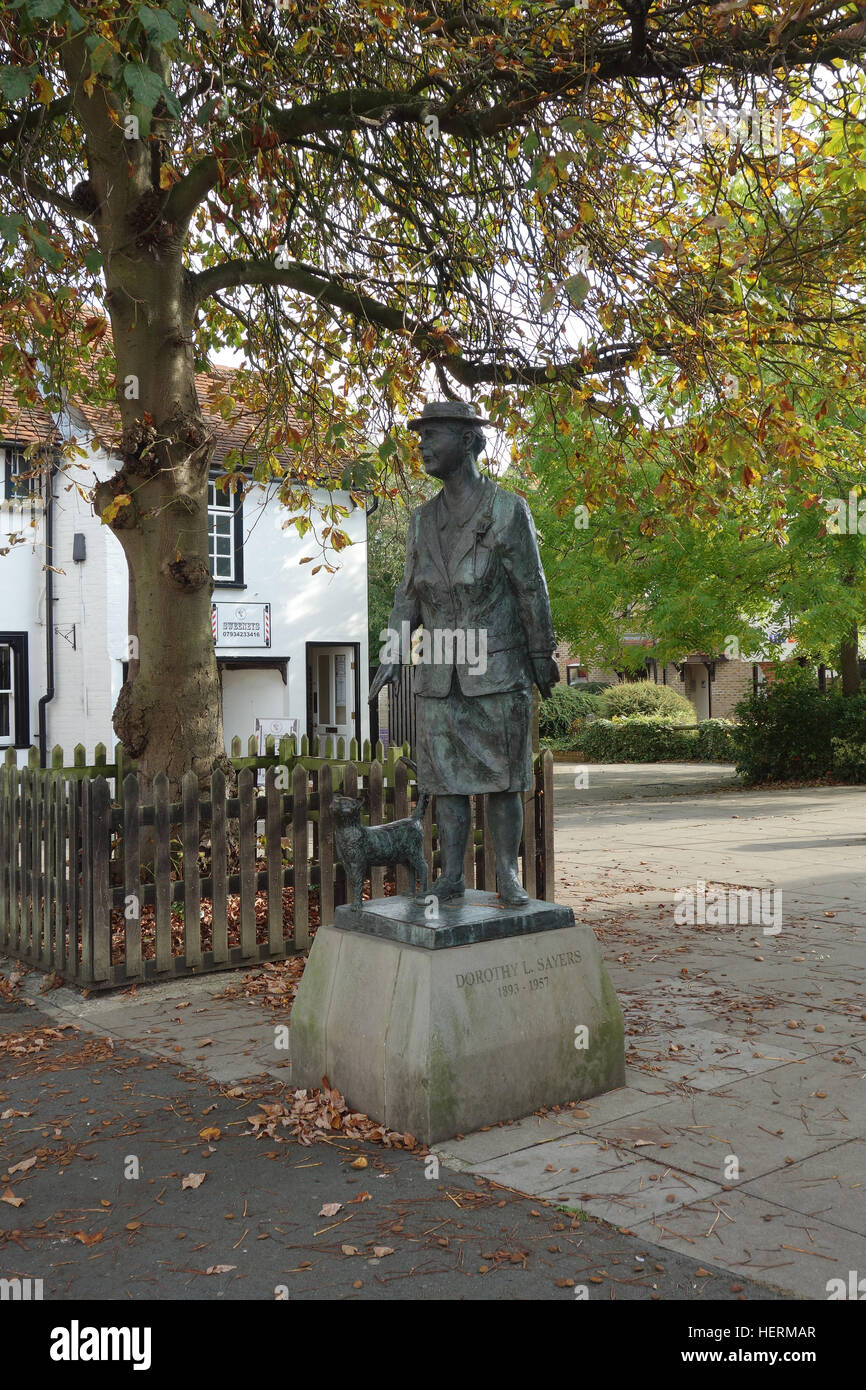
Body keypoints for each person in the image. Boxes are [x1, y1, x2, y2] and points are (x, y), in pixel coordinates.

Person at [368, 401, 559, 904]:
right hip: (438, 674)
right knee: (446, 783)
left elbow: (531, 588)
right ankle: (451, 874)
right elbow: (406, 596)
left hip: (497, 668)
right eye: (420, 436)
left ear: (469, 441)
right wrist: (392, 654)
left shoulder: (507, 509)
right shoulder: (420, 519)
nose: (423, 444)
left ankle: (506, 876)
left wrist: (542, 655)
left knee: (504, 780)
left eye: (434, 434)